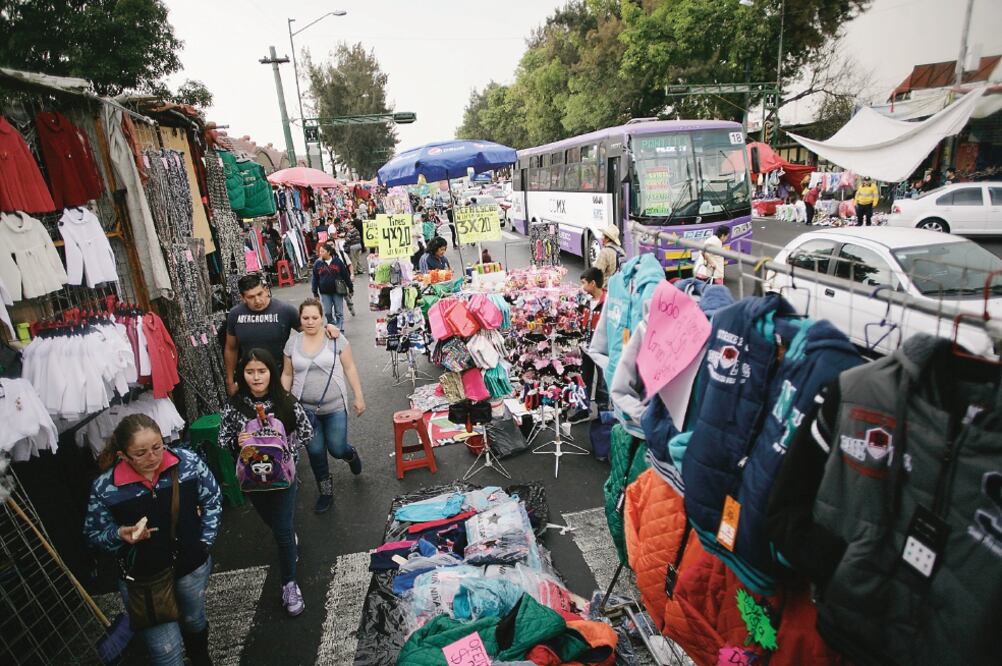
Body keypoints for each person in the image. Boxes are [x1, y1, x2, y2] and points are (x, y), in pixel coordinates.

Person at [84, 414, 221, 665]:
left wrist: (204, 543)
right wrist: (119, 535)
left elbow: (212, 500)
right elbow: (94, 534)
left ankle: (201, 657)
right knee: (166, 653)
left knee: (194, 620)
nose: (152, 457)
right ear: (122, 455)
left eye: (158, 447)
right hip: (144, 580)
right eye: (141, 452)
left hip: (191, 567)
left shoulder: (187, 462)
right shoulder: (106, 487)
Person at [219, 349, 313, 617]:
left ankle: (289, 584)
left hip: (284, 480)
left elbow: (306, 432)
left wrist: (285, 449)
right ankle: (287, 541)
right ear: (242, 374)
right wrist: (236, 443)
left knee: (282, 531)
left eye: (262, 371)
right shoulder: (234, 406)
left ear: (271, 372)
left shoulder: (285, 401)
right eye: (250, 372)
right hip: (252, 482)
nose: (256, 377)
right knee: (273, 523)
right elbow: (222, 439)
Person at [283, 299, 366, 513]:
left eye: (315, 317)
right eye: (305, 318)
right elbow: (287, 374)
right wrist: (284, 402)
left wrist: (358, 396)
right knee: (316, 452)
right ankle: (326, 493)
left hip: (335, 406)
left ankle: (350, 454)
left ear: (322, 318)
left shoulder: (336, 338)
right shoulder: (292, 343)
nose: (310, 322)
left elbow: (350, 367)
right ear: (300, 319)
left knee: (337, 448)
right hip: (305, 412)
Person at [224, 273, 339, 398]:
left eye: (259, 294)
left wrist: (327, 327)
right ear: (242, 297)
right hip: (251, 379)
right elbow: (231, 348)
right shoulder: (235, 315)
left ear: (266, 290)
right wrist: (230, 381)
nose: (257, 300)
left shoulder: (284, 310)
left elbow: (310, 330)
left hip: (281, 377)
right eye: (251, 297)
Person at [571, 267, 608, 423]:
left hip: (602, 348)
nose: (582, 287)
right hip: (585, 347)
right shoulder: (584, 300)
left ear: (593, 283)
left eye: (584, 283)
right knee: (584, 378)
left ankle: (604, 411)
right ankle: (582, 409)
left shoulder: (608, 301)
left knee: (602, 381)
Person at [312, 242, 353, 332]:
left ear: (329, 252)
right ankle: (333, 326)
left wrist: (350, 287)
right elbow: (315, 278)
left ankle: (340, 329)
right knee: (327, 312)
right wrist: (315, 292)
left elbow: (345, 275)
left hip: (337, 291)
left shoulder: (338, 262)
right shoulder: (317, 264)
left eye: (322, 251)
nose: (320, 253)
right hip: (325, 292)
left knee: (339, 312)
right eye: (320, 251)